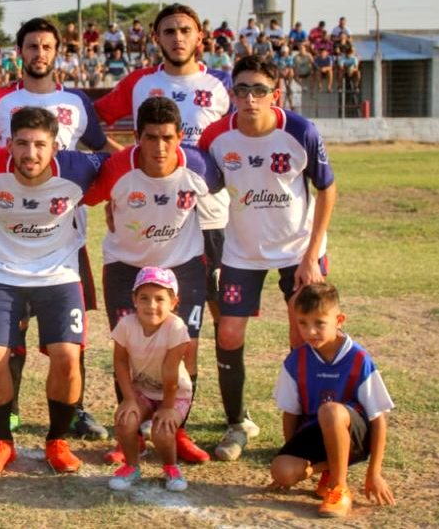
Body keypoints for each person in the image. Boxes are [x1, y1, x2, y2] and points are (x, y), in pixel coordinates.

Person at [0, 17, 118, 441]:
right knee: (7, 337)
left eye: (47, 46)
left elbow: (103, 151)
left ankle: (75, 411)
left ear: (58, 52)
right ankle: (9, 414)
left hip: (64, 234)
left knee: (69, 340)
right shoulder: (0, 101)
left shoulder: (75, 103)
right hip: (11, 231)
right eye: (31, 46)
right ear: (20, 53)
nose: (39, 53)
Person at [0, 106, 108, 474]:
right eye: (22, 143)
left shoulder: (79, 168)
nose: (31, 153)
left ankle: (57, 440)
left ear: (56, 147)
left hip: (58, 276)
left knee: (68, 357)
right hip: (0, 275)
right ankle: (2, 442)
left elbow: (127, 165)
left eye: (40, 144)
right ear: (8, 144)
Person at [198, 55, 337, 462]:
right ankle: (237, 423)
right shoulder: (216, 137)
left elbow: (327, 189)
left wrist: (312, 254)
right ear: (232, 94)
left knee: (304, 336)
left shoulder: (300, 131)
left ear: (274, 94)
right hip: (242, 251)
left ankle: (309, 423)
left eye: (259, 90)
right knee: (228, 333)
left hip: (298, 251)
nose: (250, 98)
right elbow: (201, 180)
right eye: (242, 90)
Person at [84, 96, 220, 465]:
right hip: (127, 268)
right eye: (150, 138)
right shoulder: (117, 168)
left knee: (185, 350)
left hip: (182, 266)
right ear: (136, 137)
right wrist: (110, 208)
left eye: (167, 138)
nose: (159, 147)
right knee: (128, 348)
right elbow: (86, 196)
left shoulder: (200, 167)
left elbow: (230, 191)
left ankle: (176, 428)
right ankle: (129, 429)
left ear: (179, 137)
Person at [269, 283, 395, 518]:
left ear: (339, 320)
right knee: (281, 471)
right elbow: (291, 414)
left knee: (330, 411)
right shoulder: (296, 361)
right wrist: (294, 453)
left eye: (319, 323)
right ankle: (331, 467)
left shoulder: (358, 359)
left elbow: (378, 420)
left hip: (356, 438)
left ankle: (339, 488)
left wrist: (374, 473)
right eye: (303, 323)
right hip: (318, 434)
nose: (310, 332)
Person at [106, 267, 193, 493]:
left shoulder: (176, 327)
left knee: (161, 430)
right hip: (143, 390)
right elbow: (121, 362)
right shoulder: (126, 325)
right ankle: (131, 467)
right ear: (134, 300)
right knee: (125, 420)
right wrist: (129, 399)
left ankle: (171, 468)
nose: (151, 305)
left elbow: (170, 371)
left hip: (174, 394)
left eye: (159, 299)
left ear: (174, 302)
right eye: (144, 298)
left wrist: (167, 407)